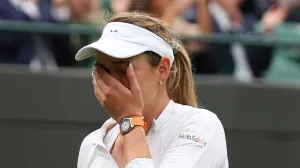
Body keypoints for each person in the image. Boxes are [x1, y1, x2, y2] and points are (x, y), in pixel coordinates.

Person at [75, 12, 228, 168]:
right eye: (101, 71)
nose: (110, 82)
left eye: (122, 70)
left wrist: (130, 119)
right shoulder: (91, 145)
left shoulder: (202, 127)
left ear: (163, 69)